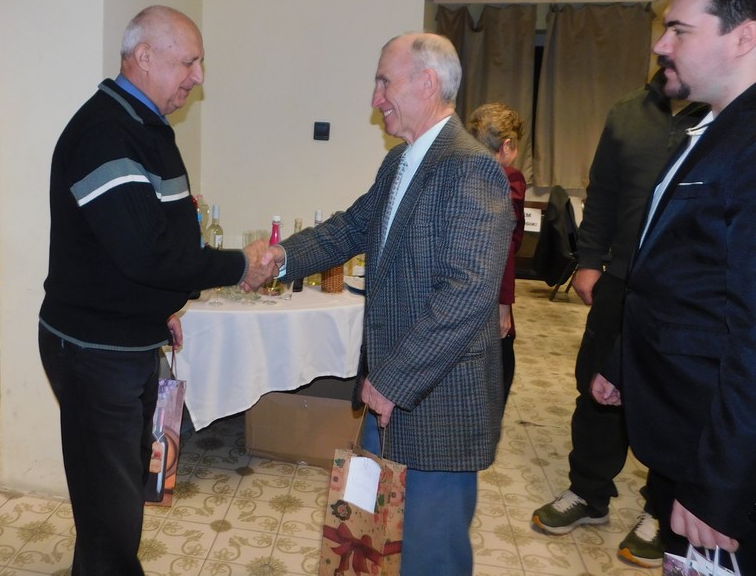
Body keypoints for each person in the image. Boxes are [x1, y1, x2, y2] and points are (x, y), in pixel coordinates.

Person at [263, 32, 514, 575]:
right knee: (383, 542)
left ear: (427, 83)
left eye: (384, 82)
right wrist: (279, 258)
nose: (375, 98)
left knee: (430, 555)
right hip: (392, 392)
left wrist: (393, 380)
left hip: (437, 401)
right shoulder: (401, 161)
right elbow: (350, 227)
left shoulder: (471, 166)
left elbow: (468, 291)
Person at [38, 5, 274, 575]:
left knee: (117, 496)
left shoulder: (144, 126)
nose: (198, 77)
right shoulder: (105, 133)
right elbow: (145, 254)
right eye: (188, 62)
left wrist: (161, 306)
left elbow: (143, 242)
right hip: (95, 349)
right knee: (110, 507)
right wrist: (238, 265)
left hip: (127, 338)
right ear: (143, 56)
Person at [592, 0, 756, 571]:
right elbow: (678, 271)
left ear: (743, 37)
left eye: (679, 30)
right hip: (682, 427)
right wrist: (624, 361)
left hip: (722, 460)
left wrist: (720, 487)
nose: (661, 45)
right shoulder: (706, 128)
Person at [530, 70, 707, 567]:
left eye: (682, 34)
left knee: (671, 400)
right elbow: (603, 192)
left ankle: (659, 509)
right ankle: (588, 492)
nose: (668, 47)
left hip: (689, 292)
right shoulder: (629, 113)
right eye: (669, 34)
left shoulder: (726, 113)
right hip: (622, 281)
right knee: (596, 387)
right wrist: (589, 260)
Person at [467, 102, 526, 403]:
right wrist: (504, 305)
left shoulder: (461, 171)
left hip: (460, 287)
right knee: (497, 378)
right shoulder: (509, 178)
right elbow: (504, 245)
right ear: (507, 145)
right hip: (491, 291)